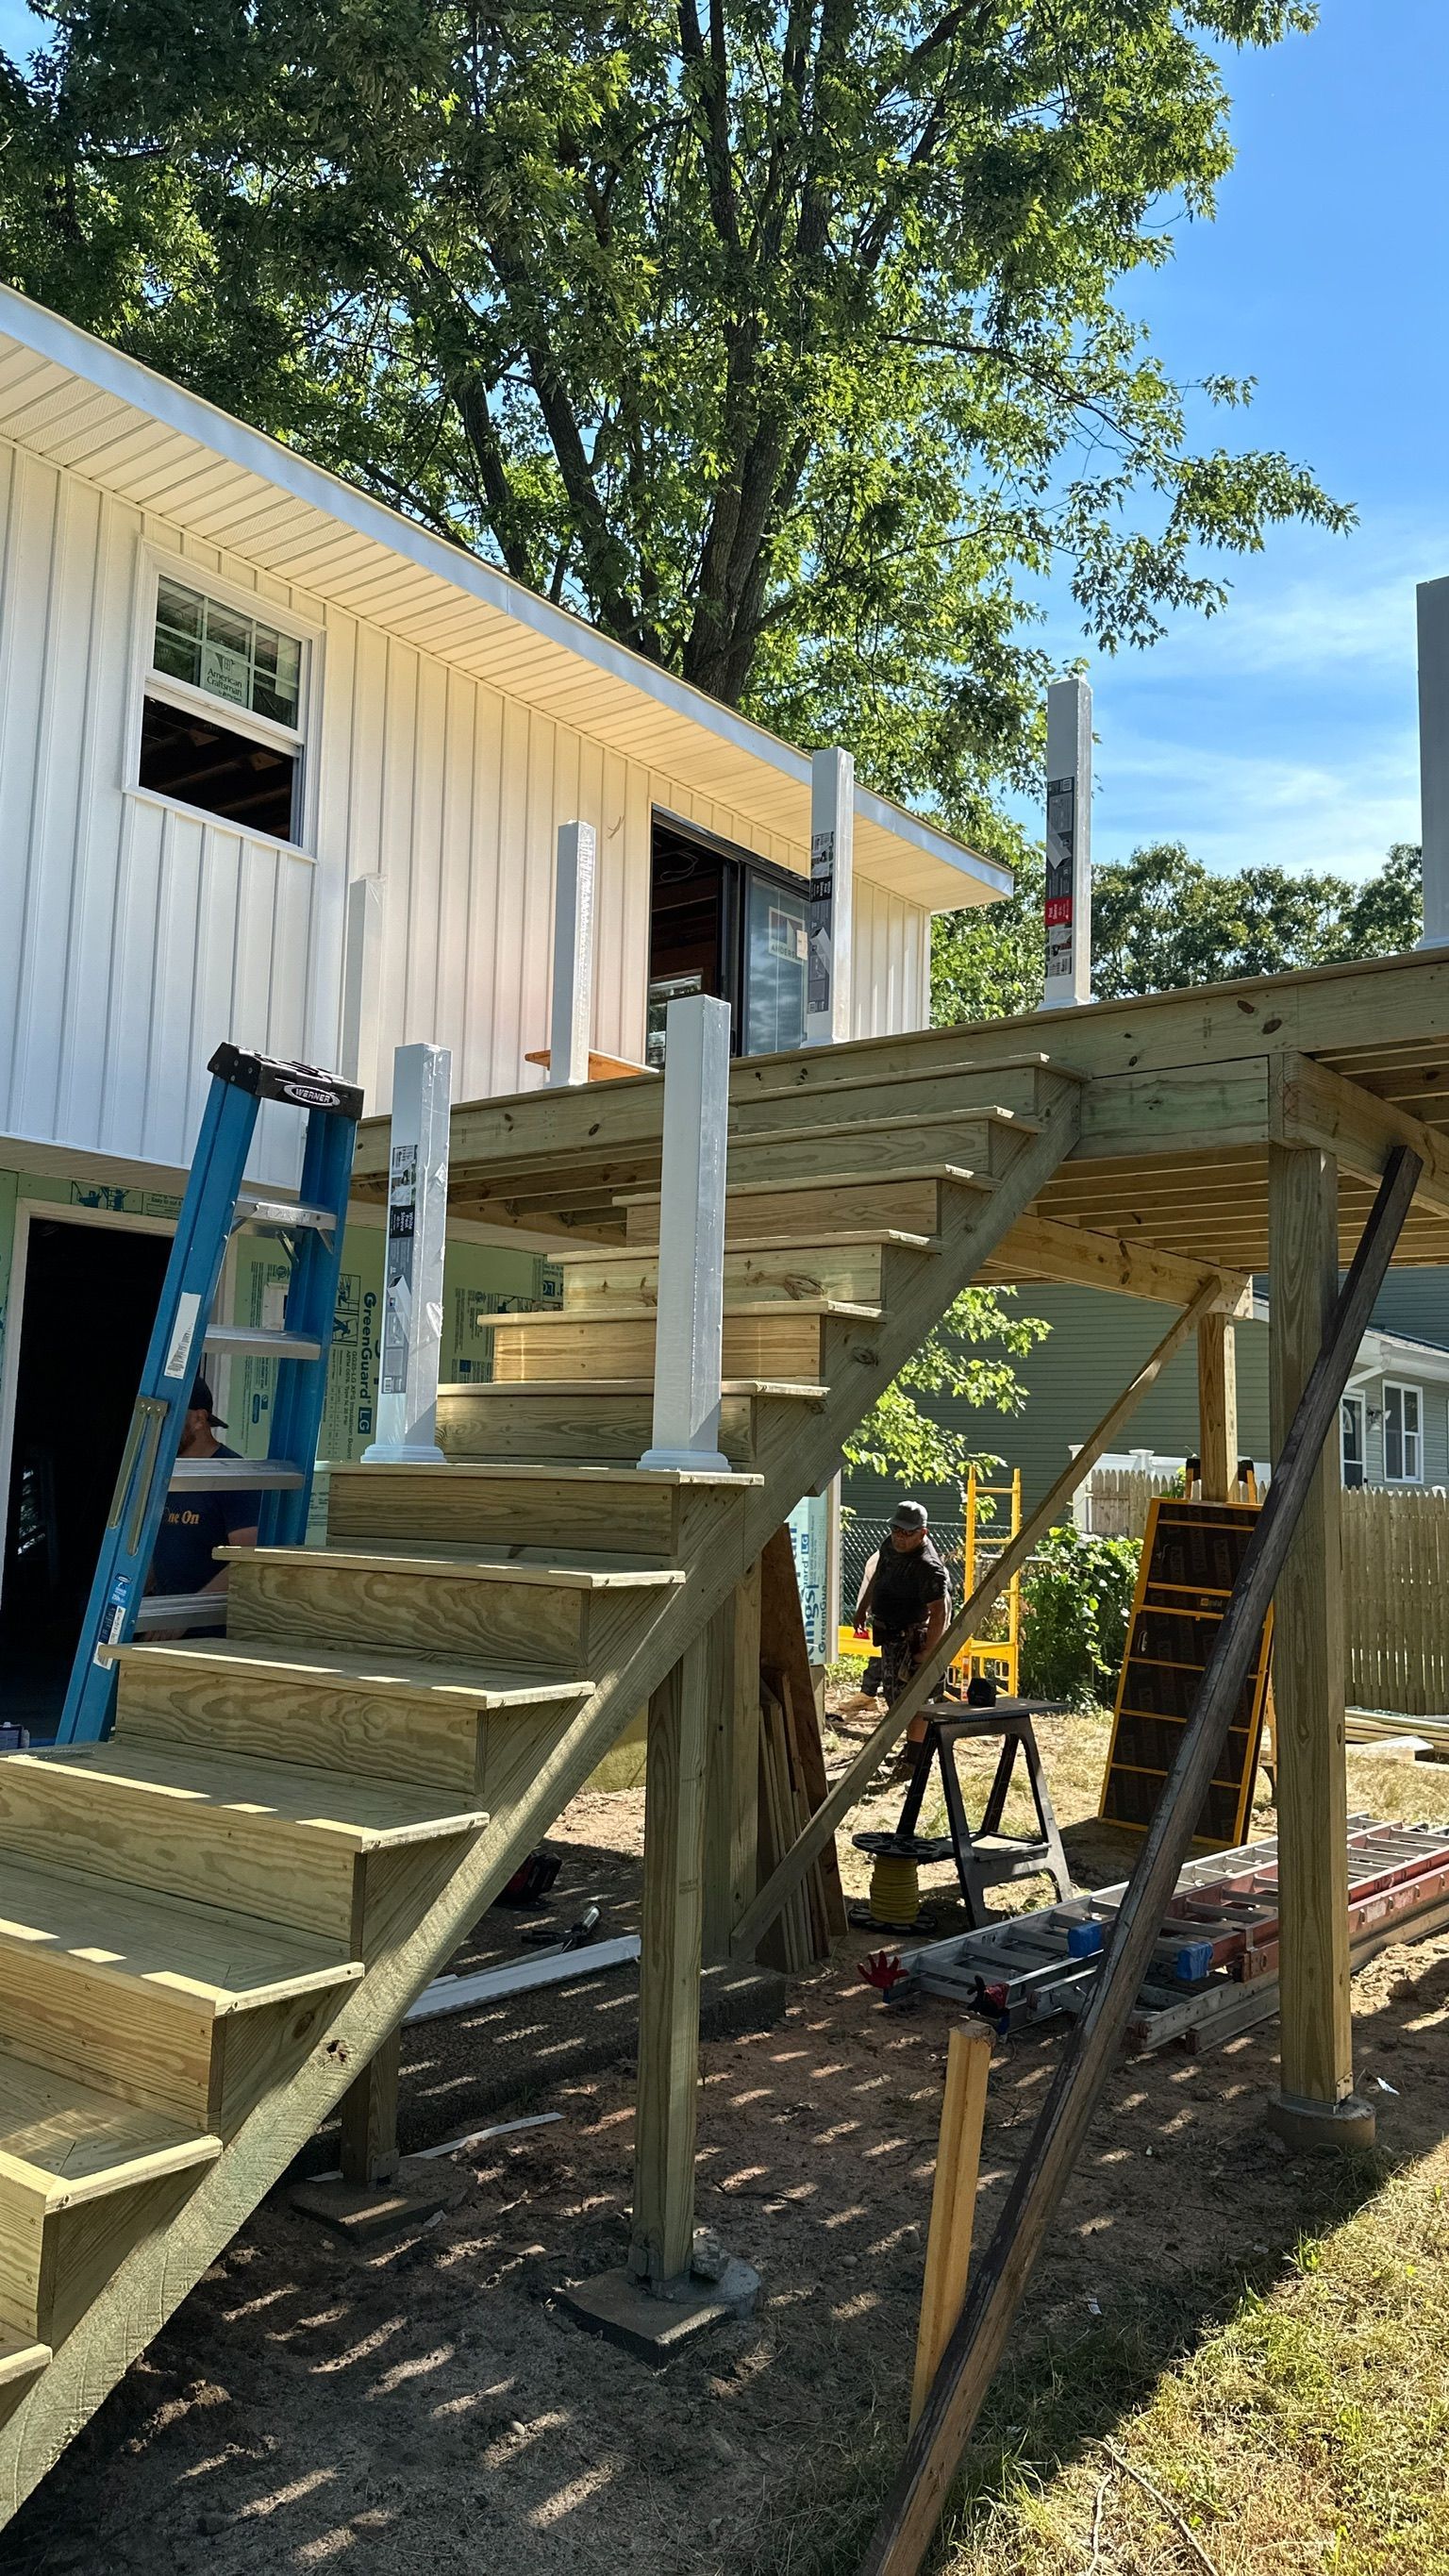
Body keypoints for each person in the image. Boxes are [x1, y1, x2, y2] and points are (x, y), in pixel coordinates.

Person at [143, 1377, 260, 1636]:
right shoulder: (166, 1473)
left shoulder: (234, 1476)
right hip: (162, 1623)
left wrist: (188, 1613)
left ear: (198, 1418)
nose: (160, 1427)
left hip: (208, 1633)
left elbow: (247, 1559)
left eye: (168, 1417)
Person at [858, 1499, 950, 1755]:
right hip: (890, 1635)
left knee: (915, 1699)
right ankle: (911, 1749)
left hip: (914, 1639)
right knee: (894, 1697)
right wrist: (862, 1607)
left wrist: (927, 1652)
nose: (900, 1537)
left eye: (907, 1533)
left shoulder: (929, 1567)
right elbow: (879, 1575)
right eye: (896, 1530)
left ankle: (915, 1755)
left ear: (923, 1532)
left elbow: (939, 1612)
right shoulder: (890, 1545)